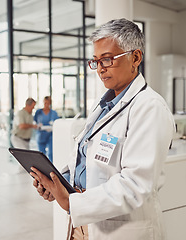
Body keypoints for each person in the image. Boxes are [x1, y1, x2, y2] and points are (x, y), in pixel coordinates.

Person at [30, 18, 175, 240]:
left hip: (122, 230)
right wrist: (59, 183)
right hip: (83, 224)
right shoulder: (103, 105)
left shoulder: (149, 107)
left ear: (135, 57)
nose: (100, 69)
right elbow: (88, 161)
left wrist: (70, 201)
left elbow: (135, 185)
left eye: (107, 60)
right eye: (96, 61)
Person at [34, 96, 59, 162]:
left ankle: (51, 168)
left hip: (50, 135)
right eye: (45, 103)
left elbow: (57, 123)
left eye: (48, 103)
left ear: (50, 103)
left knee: (51, 153)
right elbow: (34, 122)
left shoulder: (54, 113)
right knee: (41, 154)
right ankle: (42, 168)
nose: (46, 105)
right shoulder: (38, 112)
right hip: (41, 135)